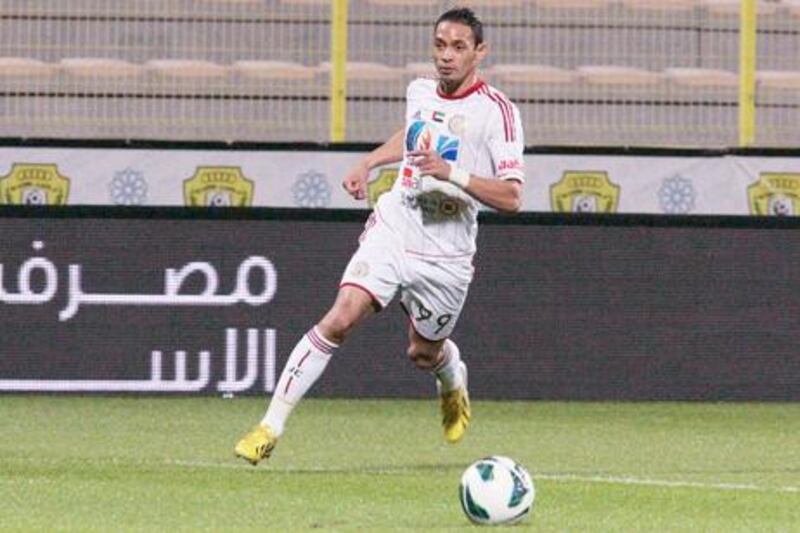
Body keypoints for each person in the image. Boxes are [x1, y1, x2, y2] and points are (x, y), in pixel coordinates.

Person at [234, 7, 525, 465]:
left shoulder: (498, 114)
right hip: (396, 224)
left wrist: (452, 173)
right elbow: (413, 136)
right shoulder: (420, 91)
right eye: (439, 45)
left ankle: (451, 377)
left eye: (458, 47)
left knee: (422, 352)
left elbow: (511, 196)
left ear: (480, 52)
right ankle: (269, 427)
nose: (446, 57)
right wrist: (370, 162)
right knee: (341, 317)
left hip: (446, 254)